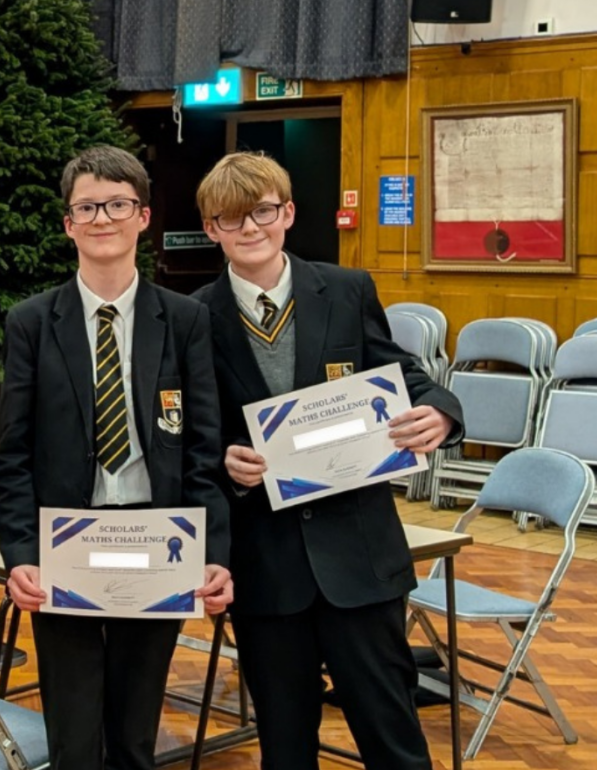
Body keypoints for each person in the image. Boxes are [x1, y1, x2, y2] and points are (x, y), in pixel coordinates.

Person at [188, 151, 464, 770]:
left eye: (262, 212)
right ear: (210, 229)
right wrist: (224, 460)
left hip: (359, 559)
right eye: (231, 218)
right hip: (266, 569)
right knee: (285, 750)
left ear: (287, 213)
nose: (249, 228)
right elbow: (193, 436)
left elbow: (404, 375)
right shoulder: (193, 316)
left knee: (394, 743)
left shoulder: (345, 289)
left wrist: (441, 413)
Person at [0, 145, 233, 769]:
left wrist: (213, 552)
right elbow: (14, 454)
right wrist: (20, 555)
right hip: (65, 545)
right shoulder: (31, 323)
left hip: (159, 540)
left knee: (133, 735)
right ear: (68, 223)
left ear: (143, 217)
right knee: (74, 740)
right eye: (88, 207)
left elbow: (203, 449)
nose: (102, 218)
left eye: (118, 205)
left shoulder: (184, 320)